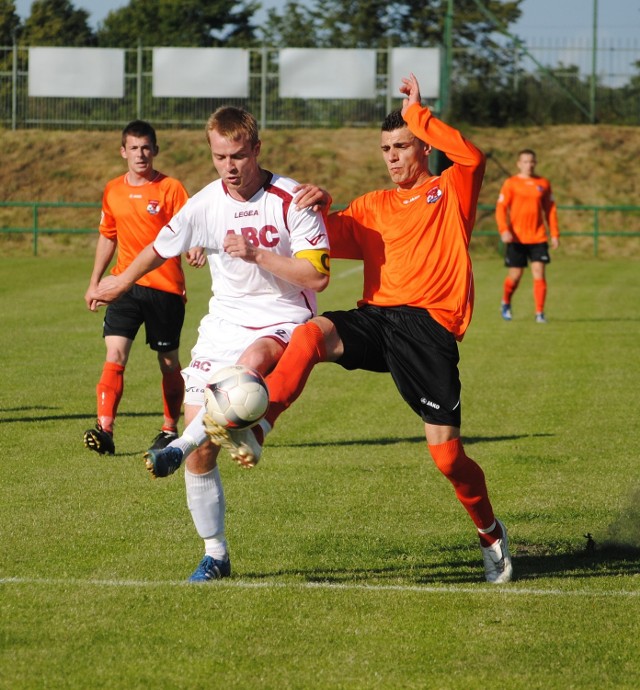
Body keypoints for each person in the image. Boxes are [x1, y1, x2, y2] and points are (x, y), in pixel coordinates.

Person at [207, 73, 513, 584]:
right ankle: (259, 427)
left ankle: (490, 532)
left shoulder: (450, 192)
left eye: (402, 146)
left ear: (424, 148)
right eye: (385, 148)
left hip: (429, 328)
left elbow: (472, 158)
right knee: (310, 334)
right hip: (376, 317)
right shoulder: (373, 206)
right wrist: (313, 207)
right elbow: (317, 239)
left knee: (447, 457)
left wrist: (419, 114)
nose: (392, 157)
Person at [87, 106, 330, 582]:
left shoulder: (291, 199)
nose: (229, 166)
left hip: (280, 319)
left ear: (256, 149)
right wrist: (119, 282)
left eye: (238, 155)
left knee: (248, 367)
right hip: (223, 324)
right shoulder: (203, 203)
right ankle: (215, 555)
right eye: (220, 156)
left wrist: (258, 253)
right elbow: (160, 246)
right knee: (205, 453)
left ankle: (177, 446)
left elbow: (318, 276)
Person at [83, 120, 204, 457]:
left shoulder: (171, 188)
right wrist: (95, 283)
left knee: (168, 363)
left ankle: (168, 429)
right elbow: (108, 235)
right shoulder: (113, 190)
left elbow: (192, 226)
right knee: (115, 355)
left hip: (164, 289)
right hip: (124, 287)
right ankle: (105, 429)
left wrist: (194, 247)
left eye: (146, 147)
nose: (140, 154)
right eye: (134, 148)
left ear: (155, 150)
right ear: (123, 152)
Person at [495, 148, 560, 323]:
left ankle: (539, 313)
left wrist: (554, 233)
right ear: (519, 164)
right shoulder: (511, 183)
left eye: (532, 161)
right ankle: (506, 301)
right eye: (525, 161)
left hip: (538, 237)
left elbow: (550, 210)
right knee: (515, 276)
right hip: (516, 238)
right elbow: (501, 208)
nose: (529, 165)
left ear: (535, 163)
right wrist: (504, 230)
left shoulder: (543, 183)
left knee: (539, 273)